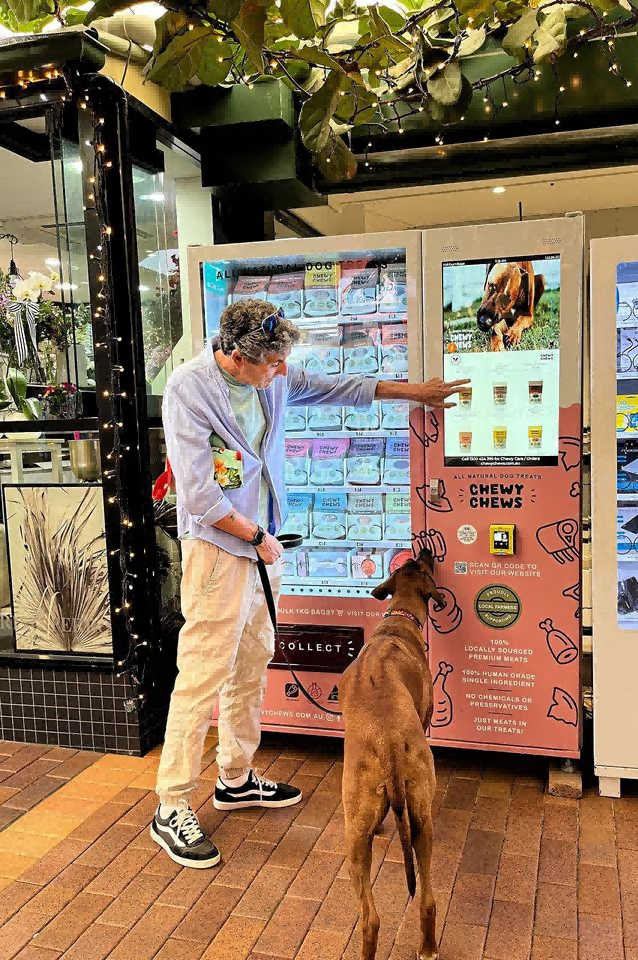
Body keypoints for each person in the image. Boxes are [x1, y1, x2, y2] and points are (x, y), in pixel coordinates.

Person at [151, 297, 468, 868]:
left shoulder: (271, 375)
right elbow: (198, 496)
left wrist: (411, 392)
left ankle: (236, 775)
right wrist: (254, 535)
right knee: (202, 673)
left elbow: (335, 387)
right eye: (272, 365)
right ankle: (171, 803)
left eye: (282, 364)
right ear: (237, 356)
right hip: (220, 549)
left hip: (259, 544)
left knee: (252, 662)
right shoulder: (188, 390)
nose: (281, 375)